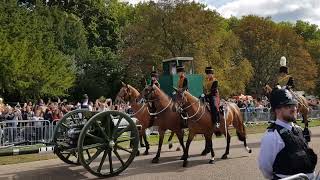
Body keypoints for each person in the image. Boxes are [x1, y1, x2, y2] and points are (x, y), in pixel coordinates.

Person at [258, 88, 317, 179]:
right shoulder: (271, 136)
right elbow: (265, 167)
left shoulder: (299, 130)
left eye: (294, 105)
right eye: (287, 106)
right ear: (277, 110)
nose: (293, 108)